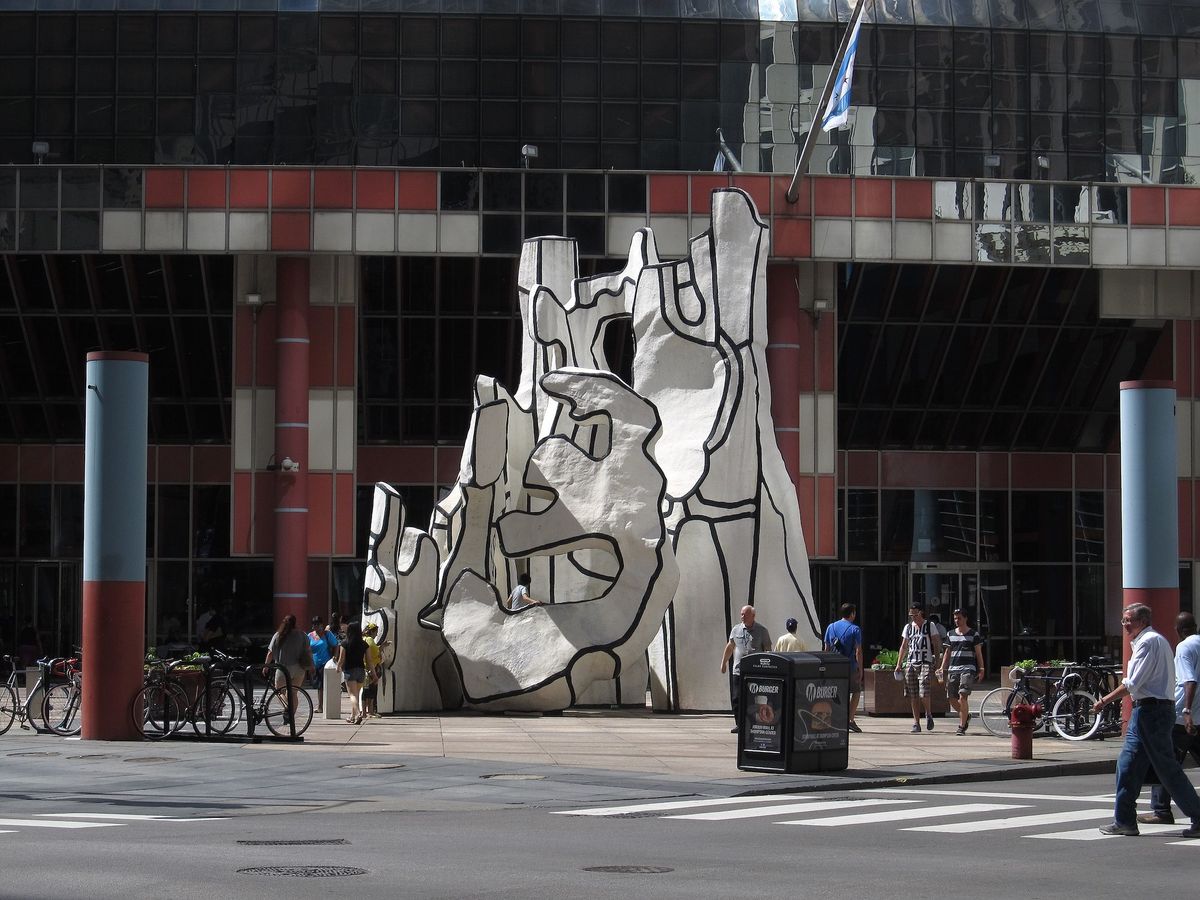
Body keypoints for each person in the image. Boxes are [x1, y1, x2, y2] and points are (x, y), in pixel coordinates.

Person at [1093, 603, 1200, 838]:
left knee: (1167, 770)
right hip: (1148, 711)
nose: (1124, 625)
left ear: (1141, 621)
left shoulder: (1149, 642)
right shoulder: (1150, 641)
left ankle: (1198, 817)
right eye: (1123, 620)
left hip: (1152, 712)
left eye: (1127, 620)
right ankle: (1125, 821)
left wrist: (1105, 701)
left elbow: (1133, 683)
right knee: (1127, 765)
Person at [1137, 611, 1200, 826]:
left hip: (1182, 717)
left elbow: (1189, 681)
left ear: (1178, 630)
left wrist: (1187, 711)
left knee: (1166, 764)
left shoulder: (1184, 647)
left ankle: (1161, 810)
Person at [719, 605, 771, 734]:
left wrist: (769, 668)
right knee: (736, 698)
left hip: (755, 672)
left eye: (745, 614)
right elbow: (730, 646)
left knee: (754, 699)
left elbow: (768, 650)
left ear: (753, 616)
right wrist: (723, 663)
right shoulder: (736, 629)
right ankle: (739, 724)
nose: (742, 616)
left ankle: (753, 723)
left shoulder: (762, 630)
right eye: (741, 614)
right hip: (738, 671)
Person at [895, 601, 942, 733]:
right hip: (911, 662)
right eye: (911, 615)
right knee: (913, 693)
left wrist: (937, 661)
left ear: (921, 613)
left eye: (915, 615)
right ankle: (916, 722)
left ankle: (928, 713)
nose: (913, 617)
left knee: (923, 691)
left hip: (925, 662)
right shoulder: (908, 627)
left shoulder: (929, 625)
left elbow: (936, 643)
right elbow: (904, 646)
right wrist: (899, 663)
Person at [939, 608, 985, 735]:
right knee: (951, 698)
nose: (956, 620)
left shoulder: (973, 634)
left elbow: (978, 653)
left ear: (965, 618)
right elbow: (947, 653)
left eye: (959, 618)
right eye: (955, 618)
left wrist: (981, 669)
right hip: (953, 669)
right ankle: (965, 715)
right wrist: (942, 667)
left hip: (968, 668)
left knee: (963, 696)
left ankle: (961, 726)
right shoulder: (950, 634)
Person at [263, 614, 313, 723]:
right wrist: (311, 666)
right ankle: (290, 717)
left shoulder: (278, 635)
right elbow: (308, 651)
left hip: (282, 667)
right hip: (299, 668)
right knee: (293, 693)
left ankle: (288, 710)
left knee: (279, 691)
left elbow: (270, 653)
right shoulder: (302, 635)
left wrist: (266, 666)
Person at [824, 603, 863, 733]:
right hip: (849, 666)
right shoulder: (855, 629)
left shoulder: (831, 627)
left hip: (834, 666)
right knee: (856, 692)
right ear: (852, 614)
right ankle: (850, 719)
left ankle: (833, 719)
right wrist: (860, 669)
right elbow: (858, 651)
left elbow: (826, 649)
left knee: (834, 693)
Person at [336, 621, 369, 726]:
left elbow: (341, 659)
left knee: (352, 696)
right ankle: (352, 716)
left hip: (350, 671)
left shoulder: (345, 643)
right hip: (361, 671)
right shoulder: (364, 644)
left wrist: (337, 667)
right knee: (357, 694)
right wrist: (373, 673)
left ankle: (359, 714)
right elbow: (369, 661)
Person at [308, 616, 339, 714]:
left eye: (318, 624)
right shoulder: (309, 635)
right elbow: (307, 650)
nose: (316, 626)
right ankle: (321, 705)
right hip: (314, 663)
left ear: (322, 624)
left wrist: (335, 657)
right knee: (318, 686)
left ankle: (322, 706)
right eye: (315, 624)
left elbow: (336, 645)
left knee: (323, 686)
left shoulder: (327, 634)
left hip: (326, 663)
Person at [362, 621, 383, 719]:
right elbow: (373, 652)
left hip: (367, 668)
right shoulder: (370, 640)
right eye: (376, 632)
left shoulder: (364, 639)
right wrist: (380, 650)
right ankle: (370, 711)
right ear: (372, 632)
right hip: (371, 668)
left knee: (367, 690)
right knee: (371, 690)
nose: (377, 634)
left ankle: (367, 711)